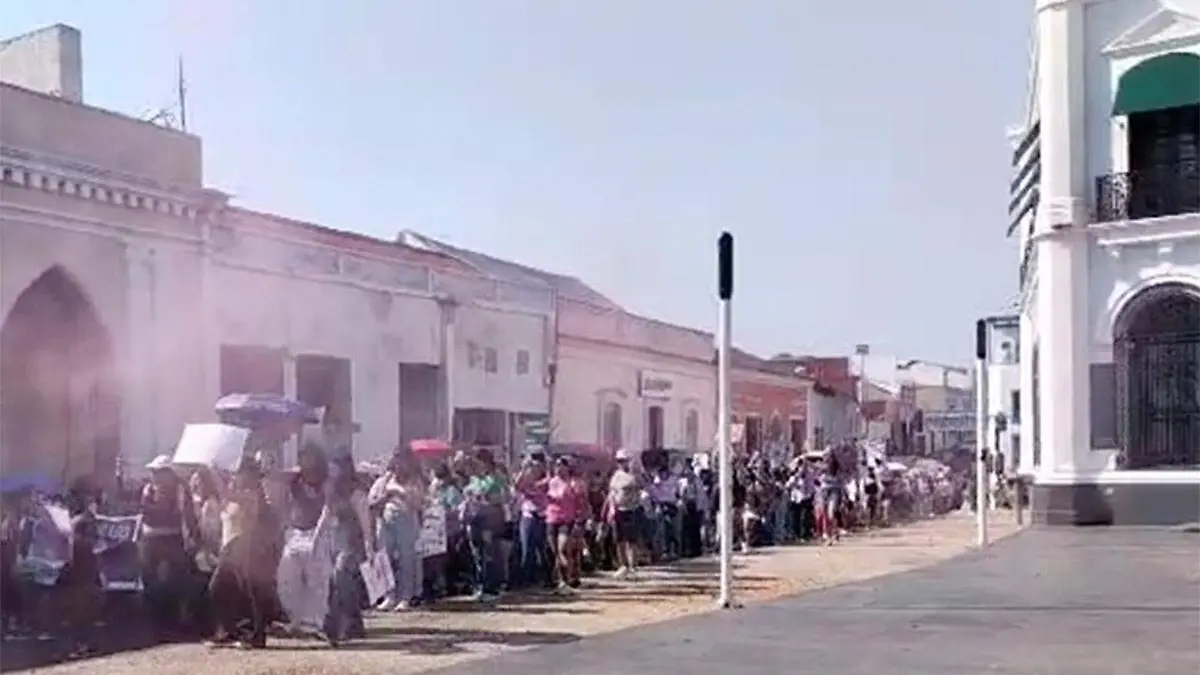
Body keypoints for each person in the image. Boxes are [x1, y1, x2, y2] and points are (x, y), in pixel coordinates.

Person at [276, 444, 336, 642]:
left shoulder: (326, 481)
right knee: (287, 579)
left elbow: (327, 509)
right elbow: (284, 502)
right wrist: (285, 526)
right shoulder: (294, 480)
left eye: (307, 457)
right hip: (294, 533)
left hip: (316, 532)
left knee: (317, 581)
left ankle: (314, 623)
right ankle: (295, 619)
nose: (302, 461)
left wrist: (317, 537)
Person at [207, 460, 269, 649]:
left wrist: (213, 470)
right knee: (220, 588)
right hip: (229, 546)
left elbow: (226, 493)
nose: (237, 476)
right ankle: (229, 630)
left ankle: (253, 635)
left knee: (247, 592)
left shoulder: (252, 495)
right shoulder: (233, 498)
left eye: (240, 473)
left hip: (245, 544)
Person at [139, 455, 198, 636]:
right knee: (149, 580)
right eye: (154, 472)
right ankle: (154, 621)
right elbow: (145, 512)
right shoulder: (148, 490)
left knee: (174, 580)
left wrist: (192, 536)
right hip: (150, 539)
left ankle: (172, 621)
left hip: (173, 539)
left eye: (160, 472)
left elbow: (187, 515)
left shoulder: (180, 491)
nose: (155, 475)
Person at [324, 456, 372, 644]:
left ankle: (346, 624)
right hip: (335, 542)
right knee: (337, 584)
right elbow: (325, 515)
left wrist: (369, 545)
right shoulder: (333, 493)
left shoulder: (356, 493)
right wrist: (315, 539)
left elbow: (365, 519)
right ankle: (350, 624)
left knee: (341, 575)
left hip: (352, 544)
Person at [369, 452, 423, 611]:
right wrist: (386, 495)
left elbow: (418, 504)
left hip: (406, 521)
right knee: (385, 559)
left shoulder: (415, 481)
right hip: (386, 522)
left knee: (406, 559)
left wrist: (401, 494)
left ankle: (405, 597)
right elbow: (372, 503)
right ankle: (389, 596)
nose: (400, 467)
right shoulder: (384, 481)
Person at [461, 449, 507, 601]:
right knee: (477, 554)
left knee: (489, 553)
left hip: (490, 519)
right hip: (475, 518)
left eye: (480, 462)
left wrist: (486, 498)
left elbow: (502, 497)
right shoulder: (475, 479)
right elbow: (467, 493)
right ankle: (480, 585)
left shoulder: (496, 478)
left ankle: (491, 588)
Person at [545, 456, 588, 591]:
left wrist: (580, 520)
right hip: (551, 518)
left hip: (567, 519)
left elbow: (581, 503)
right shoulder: (550, 482)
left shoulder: (573, 483)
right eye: (556, 465)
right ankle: (560, 579)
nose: (558, 467)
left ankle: (567, 579)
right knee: (555, 552)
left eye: (561, 465)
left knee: (563, 549)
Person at [514, 455, 551, 589]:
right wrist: (524, 469)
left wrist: (547, 467)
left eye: (536, 468)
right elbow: (517, 485)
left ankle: (547, 578)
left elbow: (548, 481)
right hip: (528, 516)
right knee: (527, 549)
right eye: (532, 469)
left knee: (543, 549)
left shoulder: (545, 482)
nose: (534, 471)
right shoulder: (525, 482)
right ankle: (527, 579)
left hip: (543, 516)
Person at [605, 449, 643, 580]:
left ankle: (633, 567)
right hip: (619, 510)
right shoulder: (616, 476)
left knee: (631, 541)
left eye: (623, 461)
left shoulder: (635, 475)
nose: (621, 463)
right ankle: (623, 566)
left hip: (632, 509)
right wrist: (611, 509)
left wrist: (636, 473)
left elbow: (643, 487)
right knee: (619, 540)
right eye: (619, 461)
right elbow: (612, 493)